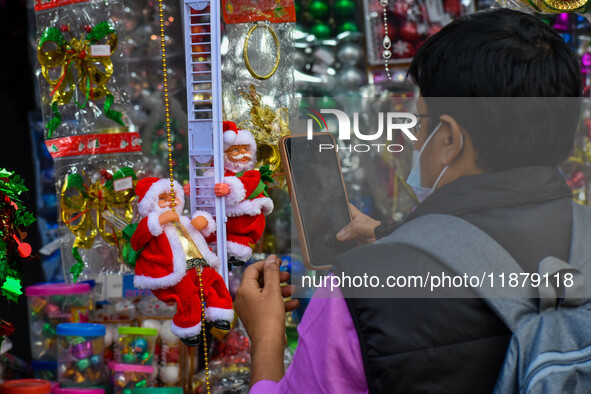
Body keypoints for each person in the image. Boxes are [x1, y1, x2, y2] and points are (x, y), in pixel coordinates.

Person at [234, 8, 584, 393]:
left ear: (449, 139)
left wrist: (266, 340)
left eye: (419, 123)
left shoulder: (356, 292)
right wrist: (400, 242)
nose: (416, 140)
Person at [132, 177, 234, 347]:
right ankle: (188, 328)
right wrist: (159, 220)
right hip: (176, 272)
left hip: (198, 264)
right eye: (162, 199)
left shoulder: (184, 221)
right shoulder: (150, 225)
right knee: (188, 297)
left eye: (173, 197)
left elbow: (209, 237)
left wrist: (205, 222)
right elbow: (136, 242)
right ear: (151, 204)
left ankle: (220, 313)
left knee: (215, 282)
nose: (170, 202)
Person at [183, 121, 273, 265]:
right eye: (236, 150)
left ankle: (236, 252)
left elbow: (246, 186)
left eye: (246, 149)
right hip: (220, 225)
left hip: (242, 224)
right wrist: (194, 191)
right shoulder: (214, 174)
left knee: (238, 238)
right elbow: (206, 192)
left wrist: (230, 189)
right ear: (224, 154)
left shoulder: (251, 174)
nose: (243, 153)